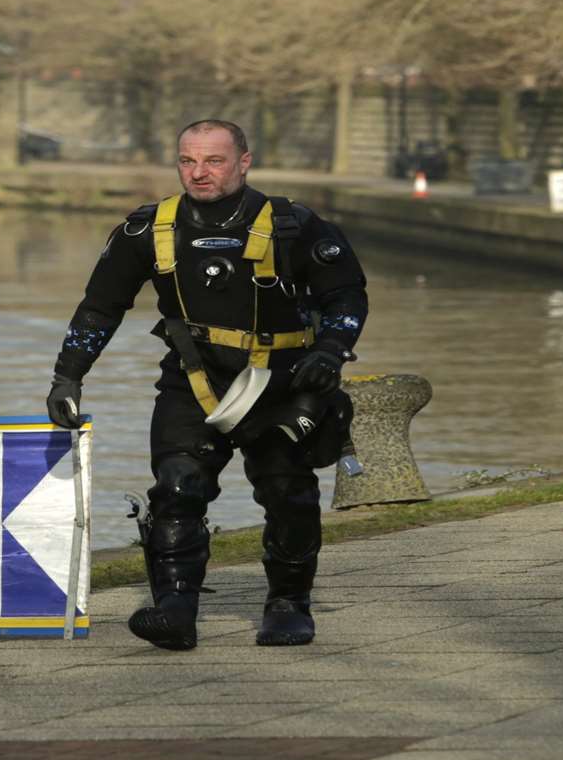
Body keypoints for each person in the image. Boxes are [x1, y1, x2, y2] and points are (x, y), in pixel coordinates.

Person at [46, 118, 368, 652]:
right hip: (193, 379)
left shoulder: (297, 226)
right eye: (188, 161)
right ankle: (174, 607)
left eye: (214, 161)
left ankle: (288, 603)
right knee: (177, 488)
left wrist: (331, 351)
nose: (199, 173)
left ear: (243, 161)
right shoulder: (145, 230)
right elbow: (100, 307)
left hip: (283, 380)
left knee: (286, 492)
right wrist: (67, 376)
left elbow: (347, 296)